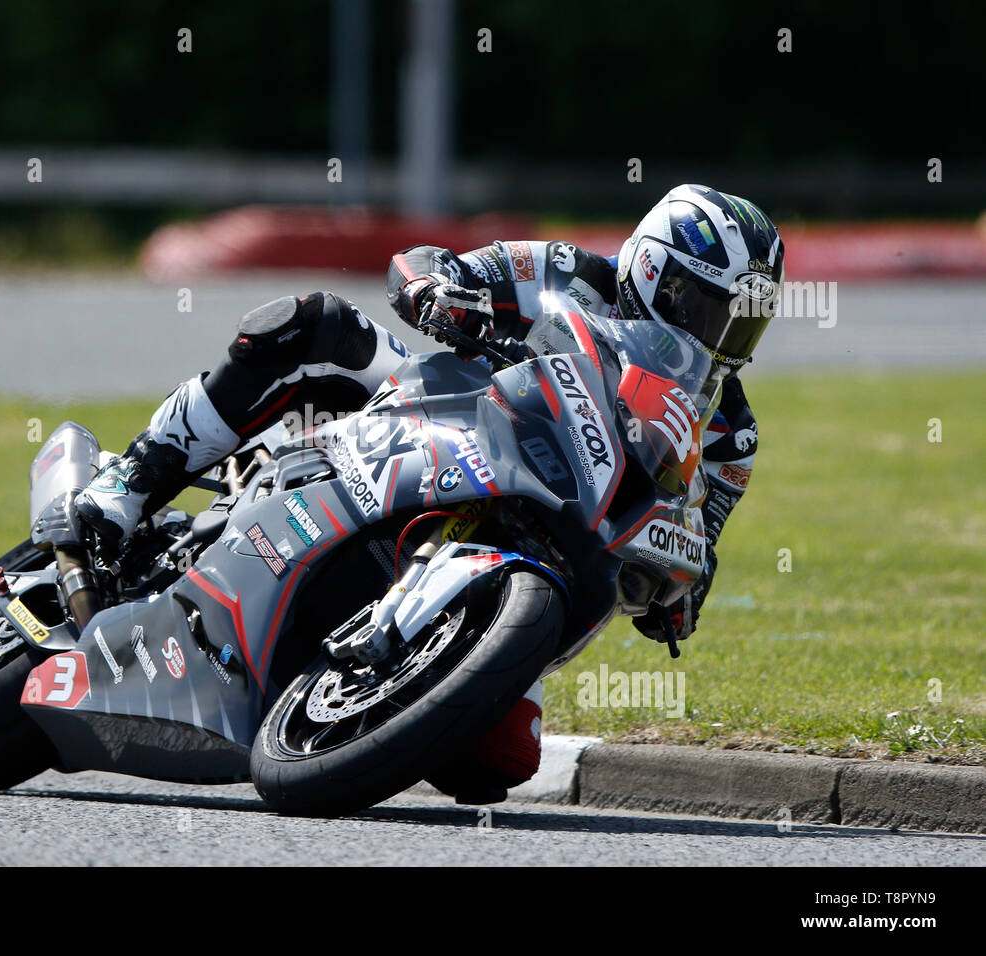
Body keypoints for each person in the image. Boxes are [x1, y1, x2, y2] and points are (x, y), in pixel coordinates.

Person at [75, 183, 784, 802]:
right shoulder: (569, 271)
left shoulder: (730, 427)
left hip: (561, 535)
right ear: (656, 270)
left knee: (496, 766)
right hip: (441, 415)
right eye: (709, 306)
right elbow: (427, 264)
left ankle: (373, 682)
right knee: (317, 325)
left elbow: (703, 533)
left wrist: (680, 596)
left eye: (744, 319)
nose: (722, 333)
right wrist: (440, 294)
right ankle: (133, 481)